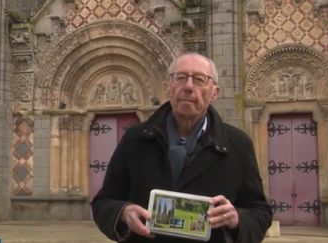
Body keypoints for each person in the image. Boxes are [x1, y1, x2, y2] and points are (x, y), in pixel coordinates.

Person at [92, 52, 272, 243]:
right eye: (180, 78)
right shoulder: (135, 139)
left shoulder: (238, 144)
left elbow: (260, 212)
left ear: (215, 93)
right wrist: (123, 213)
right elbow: (104, 202)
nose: (188, 86)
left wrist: (237, 219)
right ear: (168, 88)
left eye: (200, 80)